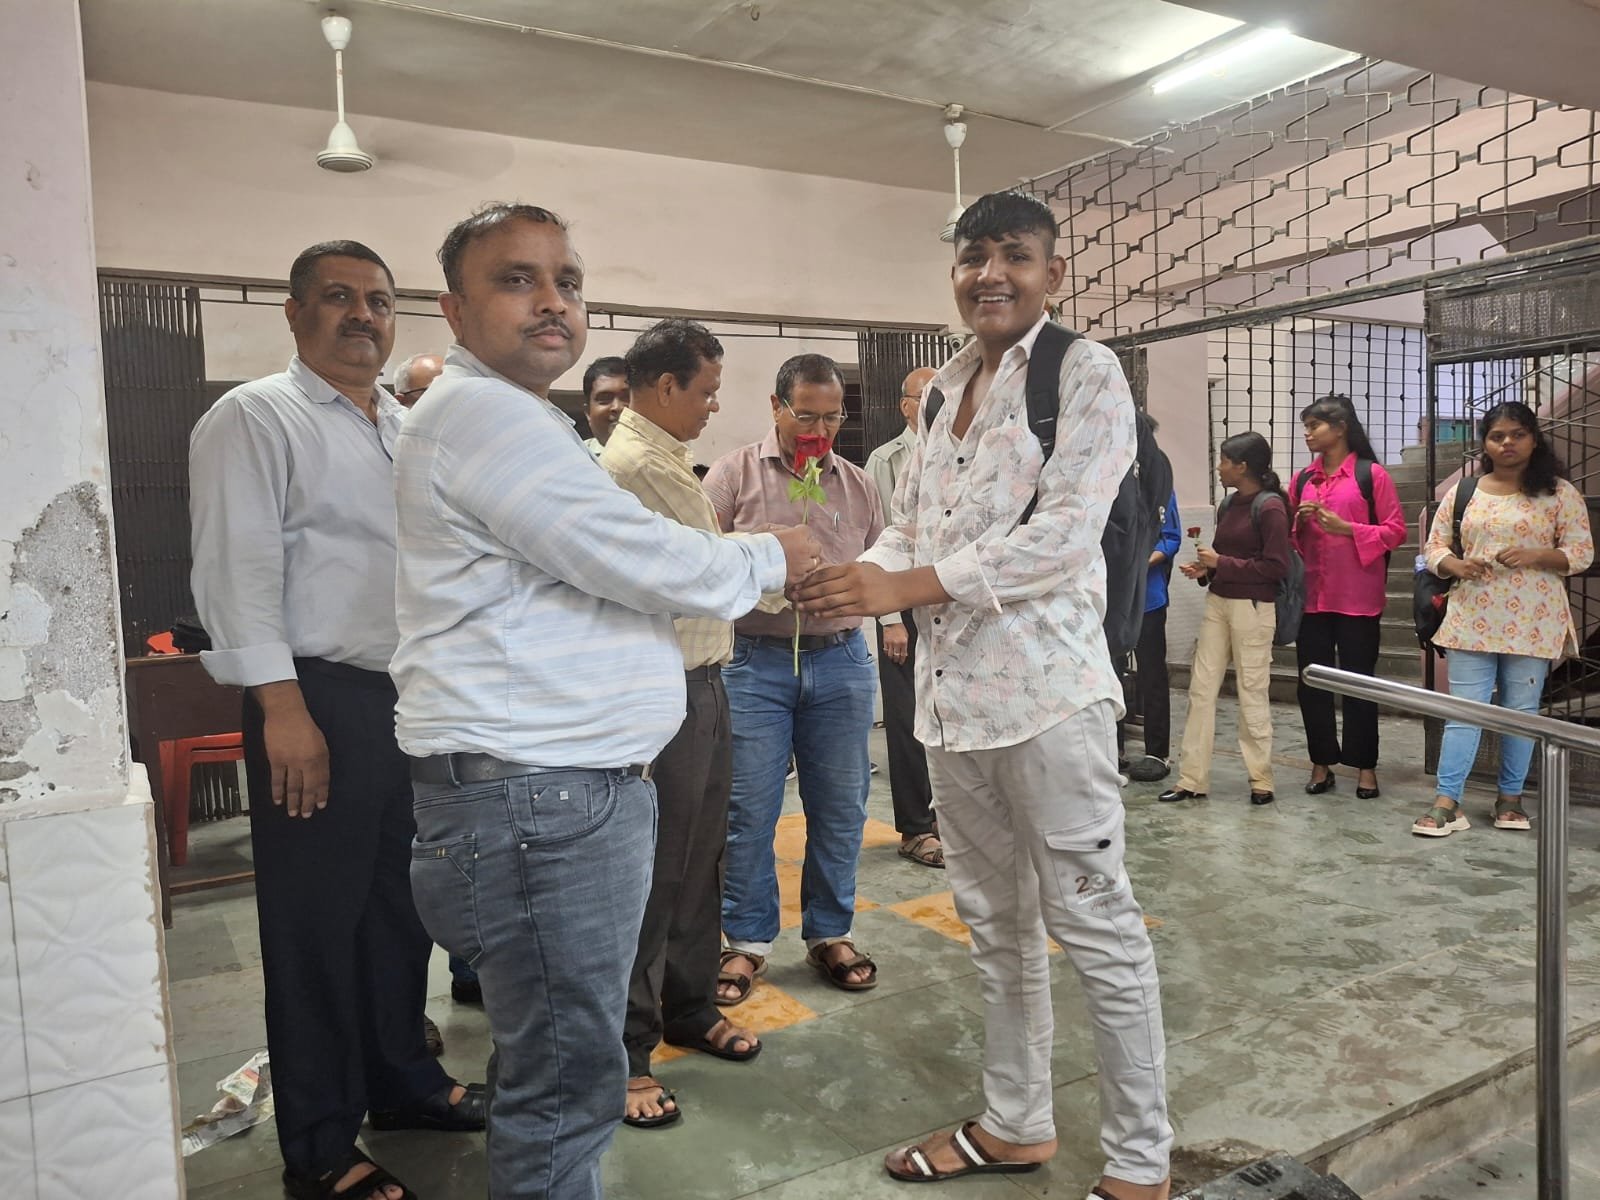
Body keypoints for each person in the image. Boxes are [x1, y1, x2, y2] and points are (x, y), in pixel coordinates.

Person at [390, 203, 821, 1200]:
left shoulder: (518, 418)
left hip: (549, 793)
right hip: (537, 802)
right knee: (566, 1087)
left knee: (553, 1062)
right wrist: (771, 555)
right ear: (454, 309)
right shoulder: (484, 416)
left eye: (568, 281)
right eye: (517, 279)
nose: (553, 301)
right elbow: (634, 556)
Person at [795, 190, 1171, 1200]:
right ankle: (1015, 1124)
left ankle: (1142, 1164)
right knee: (995, 929)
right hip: (952, 707)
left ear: (1052, 273)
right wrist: (859, 575)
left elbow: (1063, 538)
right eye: (972, 257)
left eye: (1014, 255)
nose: (990, 274)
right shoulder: (942, 389)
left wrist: (908, 586)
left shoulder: (1082, 373)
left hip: (1050, 703)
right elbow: (912, 526)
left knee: (1096, 929)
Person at [189, 241, 483, 1200]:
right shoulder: (256, 417)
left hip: (408, 699)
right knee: (314, 924)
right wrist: (281, 707)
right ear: (293, 312)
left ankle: (401, 1082)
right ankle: (317, 1141)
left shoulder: (401, 424)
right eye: (338, 297)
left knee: (400, 908)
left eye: (379, 301)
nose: (362, 315)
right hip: (314, 699)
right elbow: (235, 568)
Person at [601, 318, 764, 1130]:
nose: (712, 406)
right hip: (661, 692)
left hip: (704, 682)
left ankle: (689, 1006)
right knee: (655, 872)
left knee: (701, 859)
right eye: (706, 391)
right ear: (666, 387)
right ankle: (628, 1052)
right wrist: (786, 562)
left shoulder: (665, 457)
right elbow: (712, 569)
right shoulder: (633, 465)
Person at [703, 354, 886, 1004]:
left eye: (832, 417)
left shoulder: (859, 485)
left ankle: (831, 930)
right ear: (776, 407)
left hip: (840, 660)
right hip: (756, 662)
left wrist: (862, 592)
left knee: (840, 806)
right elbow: (701, 561)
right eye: (805, 415)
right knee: (749, 808)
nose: (819, 430)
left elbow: (885, 561)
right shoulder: (732, 475)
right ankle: (747, 940)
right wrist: (765, 574)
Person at [1413, 401, 1593, 837]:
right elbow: (1434, 547)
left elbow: (1581, 553)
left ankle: (1510, 799)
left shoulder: (1559, 493)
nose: (1507, 442)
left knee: (1521, 712)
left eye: (1517, 434)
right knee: (1464, 711)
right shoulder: (1465, 492)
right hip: (1471, 618)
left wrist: (1537, 555)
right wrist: (1454, 565)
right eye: (1497, 436)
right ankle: (1446, 801)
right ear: (1486, 444)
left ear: (1534, 439)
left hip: (1534, 620)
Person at [1160, 431, 1291, 807]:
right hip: (1218, 602)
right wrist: (1207, 570)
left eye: (1224, 461)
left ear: (1242, 466)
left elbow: (1275, 567)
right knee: (1201, 690)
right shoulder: (1228, 504)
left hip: (1253, 607)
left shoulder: (1271, 508)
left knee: (1252, 692)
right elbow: (1226, 556)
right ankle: (1191, 779)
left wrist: (1223, 563)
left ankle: (1261, 780)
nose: (1219, 468)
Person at [1291, 396, 1407, 799]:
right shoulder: (1302, 479)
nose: (1308, 433)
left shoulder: (1371, 475)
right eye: (1306, 426)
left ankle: (1365, 766)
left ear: (1340, 428)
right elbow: (1292, 540)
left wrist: (1347, 529)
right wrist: (1298, 522)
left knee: (1359, 684)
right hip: (1312, 598)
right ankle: (1321, 763)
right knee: (1312, 684)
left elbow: (1395, 531)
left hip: (1358, 599)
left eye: (1315, 426)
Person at [865, 366, 940, 867]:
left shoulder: (964, 451)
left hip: (948, 599)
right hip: (903, 604)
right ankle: (916, 827)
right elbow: (881, 537)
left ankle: (950, 817)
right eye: (926, 395)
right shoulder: (887, 459)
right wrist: (891, 617)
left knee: (946, 714)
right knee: (908, 716)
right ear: (906, 406)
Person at [1121, 456, 1181, 783]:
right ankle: (1113, 748)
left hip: (1148, 597)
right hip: (1110, 599)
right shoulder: (1102, 483)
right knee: (1109, 673)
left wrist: (1140, 564)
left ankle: (1157, 752)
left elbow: (1171, 538)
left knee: (1152, 674)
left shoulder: (1159, 486)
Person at [581, 355, 629, 455]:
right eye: (605, 399)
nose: (617, 407)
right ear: (588, 413)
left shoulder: (661, 456)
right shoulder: (576, 456)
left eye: (627, 397)